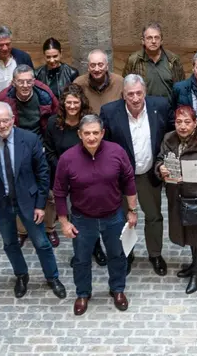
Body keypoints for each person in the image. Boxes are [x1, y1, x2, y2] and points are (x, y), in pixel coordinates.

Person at [0, 102, 67, 300]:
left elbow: (43, 174)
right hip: (2, 204)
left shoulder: (30, 139)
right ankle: (21, 275)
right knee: (9, 243)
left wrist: (40, 205)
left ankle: (52, 277)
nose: (2, 125)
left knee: (42, 243)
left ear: (13, 120)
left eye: (5, 120)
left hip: (29, 201)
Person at [54, 114, 138, 315]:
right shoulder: (67, 159)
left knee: (117, 255)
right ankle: (83, 293)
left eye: (95, 133)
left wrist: (132, 210)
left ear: (102, 133)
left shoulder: (117, 152)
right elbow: (59, 192)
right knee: (82, 259)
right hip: (83, 219)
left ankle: (117, 289)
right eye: (86, 133)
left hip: (114, 216)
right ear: (79, 134)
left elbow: (129, 181)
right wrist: (64, 222)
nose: (91, 137)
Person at [100, 74, 171, 276]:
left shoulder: (160, 106)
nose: (135, 98)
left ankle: (155, 254)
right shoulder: (110, 112)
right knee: (123, 218)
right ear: (123, 95)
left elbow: (174, 130)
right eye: (130, 94)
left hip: (149, 173)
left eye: (139, 93)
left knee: (154, 216)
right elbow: (105, 145)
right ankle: (127, 254)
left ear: (145, 92)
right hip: (123, 178)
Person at [156, 106, 197, 294]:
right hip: (177, 196)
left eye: (187, 122)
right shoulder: (168, 139)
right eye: (179, 122)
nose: (183, 126)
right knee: (188, 234)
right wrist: (160, 168)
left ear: (195, 124)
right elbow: (160, 159)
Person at [43, 84, 102, 260]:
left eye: (75, 102)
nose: (72, 106)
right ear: (63, 103)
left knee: (94, 213)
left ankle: (97, 247)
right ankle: (81, 252)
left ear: (81, 103)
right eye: (69, 102)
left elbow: (98, 147)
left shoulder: (90, 122)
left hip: (89, 177)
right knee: (75, 217)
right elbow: (49, 151)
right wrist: (65, 169)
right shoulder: (54, 123)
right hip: (65, 178)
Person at [0, 65, 58, 139]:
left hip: (40, 140)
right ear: (13, 83)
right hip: (15, 140)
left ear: (33, 81)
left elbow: (57, 116)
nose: (25, 85)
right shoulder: (3, 98)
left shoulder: (45, 94)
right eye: (20, 82)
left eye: (29, 81)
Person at [124, 22, 185, 102]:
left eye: (157, 38)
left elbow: (181, 88)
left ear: (161, 40)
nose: (153, 41)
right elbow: (126, 86)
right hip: (143, 110)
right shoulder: (134, 60)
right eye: (149, 38)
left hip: (168, 110)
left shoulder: (173, 60)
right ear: (143, 40)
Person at [72, 49, 124, 114]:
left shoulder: (120, 82)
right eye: (93, 65)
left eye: (100, 65)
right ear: (88, 67)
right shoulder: (79, 83)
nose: (96, 69)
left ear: (107, 66)